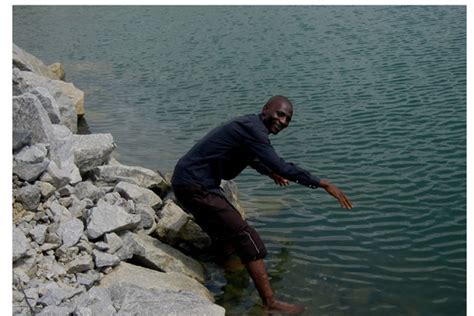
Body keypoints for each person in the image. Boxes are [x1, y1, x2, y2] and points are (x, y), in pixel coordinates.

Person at [171, 95, 353, 314]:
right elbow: (282, 166)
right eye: (280, 114)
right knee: (248, 237)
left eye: (288, 119)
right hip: (196, 186)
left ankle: (228, 272)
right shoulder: (254, 130)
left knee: (227, 233)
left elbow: (251, 155)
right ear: (266, 109)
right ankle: (270, 303)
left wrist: (269, 172)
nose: (283, 121)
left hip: (189, 181)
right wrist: (323, 184)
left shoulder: (249, 125)